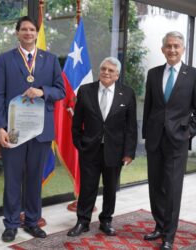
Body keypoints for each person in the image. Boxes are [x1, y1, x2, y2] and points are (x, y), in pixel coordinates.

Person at [0, 16, 65, 242]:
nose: (28, 33)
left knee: (35, 178)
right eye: (23, 29)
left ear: (36, 33)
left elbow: (60, 91)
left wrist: (42, 91)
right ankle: (11, 223)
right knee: (13, 179)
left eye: (32, 29)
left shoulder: (51, 59)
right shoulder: (5, 60)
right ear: (17, 33)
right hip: (13, 130)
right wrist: (0, 128)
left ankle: (32, 221)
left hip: (40, 131)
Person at [142, 31, 196, 250]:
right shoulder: (153, 74)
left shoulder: (194, 75)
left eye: (176, 46)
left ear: (183, 49)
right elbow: (149, 107)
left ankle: (169, 235)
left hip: (177, 140)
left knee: (171, 188)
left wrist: (188, 132)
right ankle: (159, 226)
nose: (172, 50)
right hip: (154, 139)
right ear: (162, 49)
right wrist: (146, 134)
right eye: (168, 46)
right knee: (155, 186)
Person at [67, 57, 137, 237]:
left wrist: (129, 152)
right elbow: (77, 122)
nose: (106, 72)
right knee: (87, 187)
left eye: (111, 71)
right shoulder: (85, 91)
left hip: (115, 151)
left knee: (110, 188)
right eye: (104, 69)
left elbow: (131, 126)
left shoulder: (127, 93)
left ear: (117, 75)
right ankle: (83, 221)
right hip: (89, 149)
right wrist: (79, 143)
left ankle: (106, 221)